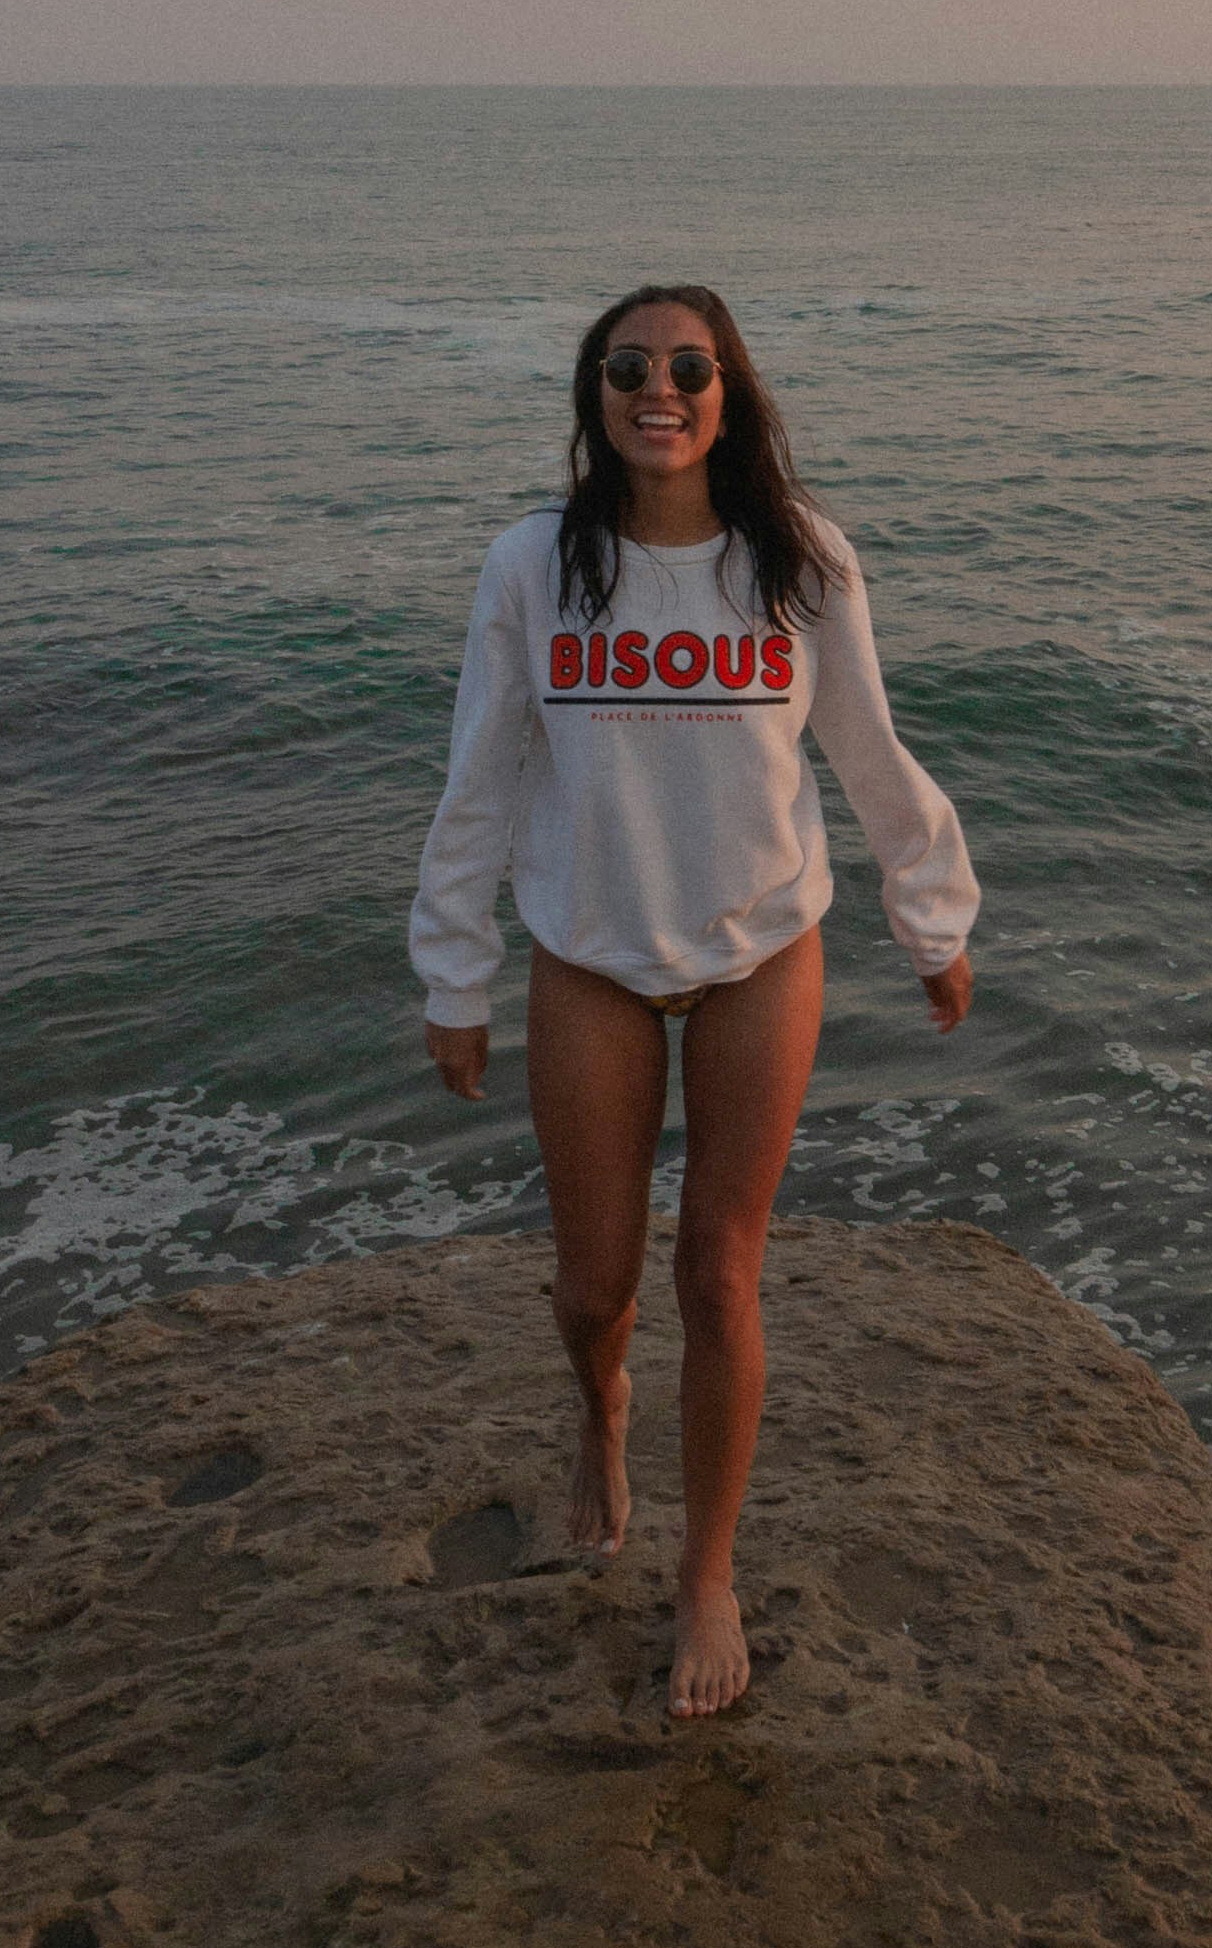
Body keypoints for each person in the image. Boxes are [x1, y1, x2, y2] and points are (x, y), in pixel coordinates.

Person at [412, 283, 979, 1718]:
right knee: (596, 1283)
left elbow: (868, 753)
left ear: (731, 392)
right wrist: (453, 971)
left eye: (688, 366)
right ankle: (601, 1408)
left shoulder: (802, 564)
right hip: (593, 956)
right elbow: (479, 781)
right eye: (627, 368)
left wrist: (934, 916)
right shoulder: (538, 567)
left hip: (761, 950)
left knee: (718, 1270)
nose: (656, 389)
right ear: (593, 396)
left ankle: (706, 1567)